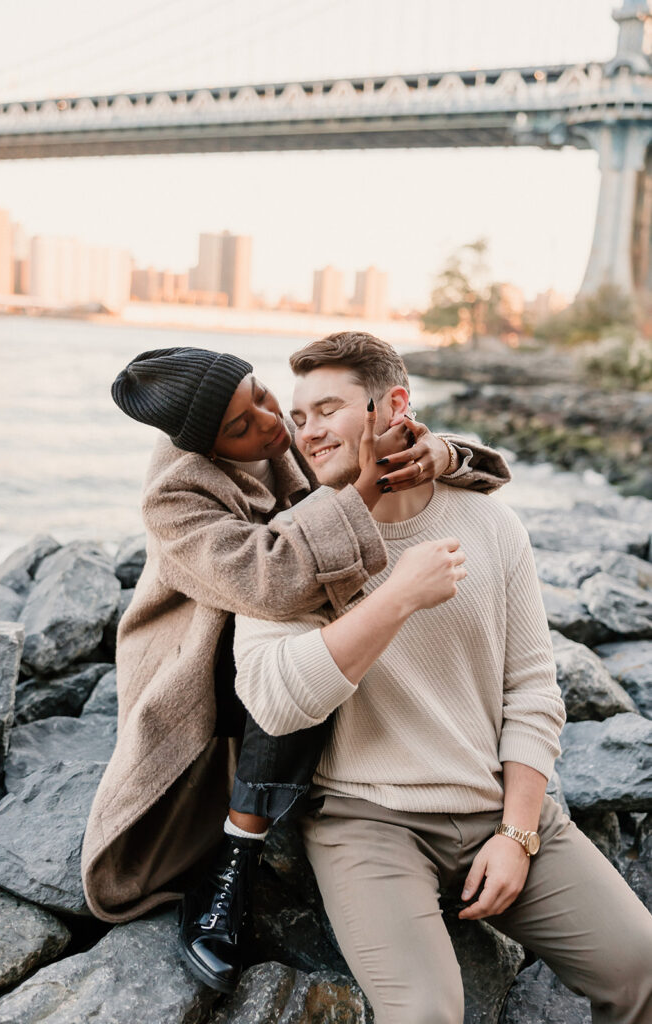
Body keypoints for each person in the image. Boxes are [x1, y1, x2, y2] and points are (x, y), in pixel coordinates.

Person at [233, 332, 652, 1024]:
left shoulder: (488, 521)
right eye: (299, 416)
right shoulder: (292, 542)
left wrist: (517, 834)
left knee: (641, 967)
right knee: (424, 1012)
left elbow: (533, 689)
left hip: (499, 805)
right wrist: (398, 595)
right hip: (365, 819)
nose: (306, 432)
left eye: (328, 410)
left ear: (392, 405)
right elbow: (277, 702)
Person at [80, 342, 511, 995]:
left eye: (258, 391)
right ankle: (234, 859)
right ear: (206, 445)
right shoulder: (177, 490)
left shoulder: (274, 424)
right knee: (289, 652)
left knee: (325, 630)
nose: (269, 422)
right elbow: (269, 581)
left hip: (299, 611)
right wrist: (362, 490)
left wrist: (434, 453)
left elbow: (374, 445)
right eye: (240, 426)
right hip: (209, 656)